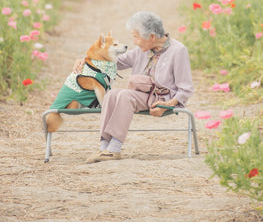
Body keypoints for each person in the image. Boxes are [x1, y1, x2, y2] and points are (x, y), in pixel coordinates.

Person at [74, 11, 193, 163]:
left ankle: (114, 149)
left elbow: (186, 88)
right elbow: (113, 63)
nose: (135, 42)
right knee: (111, 94)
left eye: (136, 37)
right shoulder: (141, 50)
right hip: (141, 94)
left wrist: (168, 104)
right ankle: (104, 147)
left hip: (162, 98)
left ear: (151, 36)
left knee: (124, 95)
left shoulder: (178, 50)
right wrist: (86, 61)